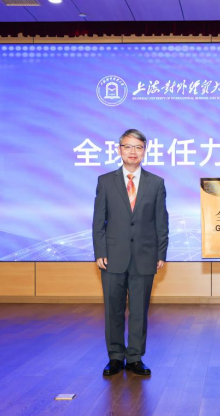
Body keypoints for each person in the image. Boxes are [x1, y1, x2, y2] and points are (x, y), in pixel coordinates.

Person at [93, 129, 169, 377]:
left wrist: (161, 253)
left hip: (145, 255)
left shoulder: (156, 183)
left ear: (145, 151)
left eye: (138, 147)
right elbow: (99, 221)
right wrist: (100, 251)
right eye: (128, 146)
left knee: (139, 310)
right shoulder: (105, 181)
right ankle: (115, 357)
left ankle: (135, 357)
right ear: (119, 150)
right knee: (113, 309)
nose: (133, 152)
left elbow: (161, 221)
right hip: (112, 256)